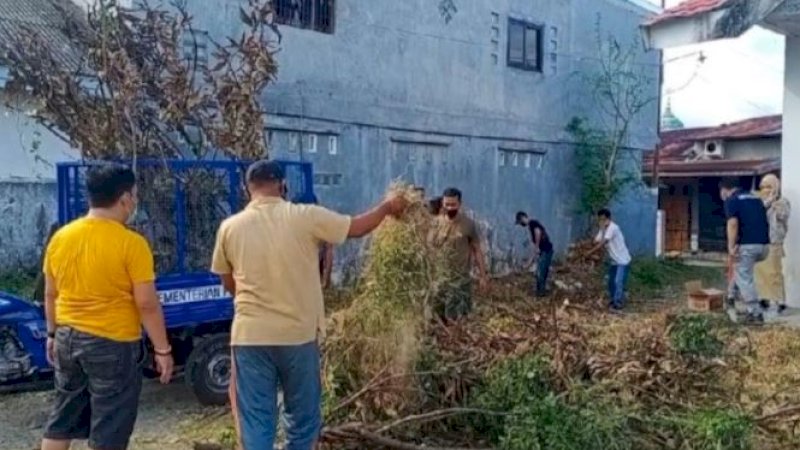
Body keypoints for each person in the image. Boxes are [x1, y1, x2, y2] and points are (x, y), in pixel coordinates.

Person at [211, 160, 407, 450]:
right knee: (302, 420)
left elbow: (227, 282)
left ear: (247, 188)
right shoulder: (305, 216)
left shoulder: (229, 227)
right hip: (298, 335)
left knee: (255, 419)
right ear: (282, 185)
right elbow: (356, 228)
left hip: (250, 337)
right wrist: (388, 208)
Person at [41, 165, 173, 450]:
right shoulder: (131, 244)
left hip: (66, 336)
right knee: (109, 428)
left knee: (62, 420)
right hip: (112, 343)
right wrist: (162, 349)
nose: (135, 202)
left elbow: (50, 294)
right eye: (135, 196)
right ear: (125, 198)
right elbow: (147, 304)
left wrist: (52, 334)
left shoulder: (60, 238)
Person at [429, 187, 489, 320]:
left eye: (453, 204)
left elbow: (476, 250)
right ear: (443, 204)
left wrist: (483, 276)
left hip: (460, 280)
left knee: (455, 317)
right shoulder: (436, 223)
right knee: (437, 317)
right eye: (447, 204)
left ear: (460, 204)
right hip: (440, 279)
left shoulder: (468, 224)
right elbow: (431, 249)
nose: (450, 208)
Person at [719, 177, 770, 323]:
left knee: (744, 276)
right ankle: (730, 297)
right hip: (765, 246)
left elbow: (733, 224)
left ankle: (755, 313)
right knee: (740, 269)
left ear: (724, 190)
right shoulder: (756, 198)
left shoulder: (732, 200)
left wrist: (730, 246)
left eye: (721, 192)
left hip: (748, 246)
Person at [754, 174, 791, 313]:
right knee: (760, 272)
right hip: (760, 241)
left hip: (774, 242)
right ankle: (764, 299)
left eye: (769, 186)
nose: (765, 189)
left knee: (774, 273)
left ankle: (779, 301)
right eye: (763, 186)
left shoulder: (782, 202)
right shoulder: (759, 202)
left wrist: (773, 201)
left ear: (776, 187)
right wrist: (765, 202)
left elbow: (783, 216)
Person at [587, 209, 631, 311]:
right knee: (611, 282)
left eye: (603, 219)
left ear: (609, 219)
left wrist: (589, 253)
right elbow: (596, 241)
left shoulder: (613, 228)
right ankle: (613, 300)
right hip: (614, 261)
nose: (602, 222)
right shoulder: (604, 230)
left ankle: (618, 303)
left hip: (623, 261)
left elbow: (602, 243)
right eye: (600, 220)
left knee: (618, 282)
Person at [515, 211, 554, 297]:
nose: (521, 224)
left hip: (546, 251)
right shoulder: (531, 226)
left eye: (520, 222)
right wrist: (529, 261)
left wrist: (536, 247)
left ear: (522, 218)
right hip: (547, 250)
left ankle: (541, 294)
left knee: (540, 272)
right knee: (542, 272)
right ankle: (540, 292)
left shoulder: (532, 223)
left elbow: (538, 232)